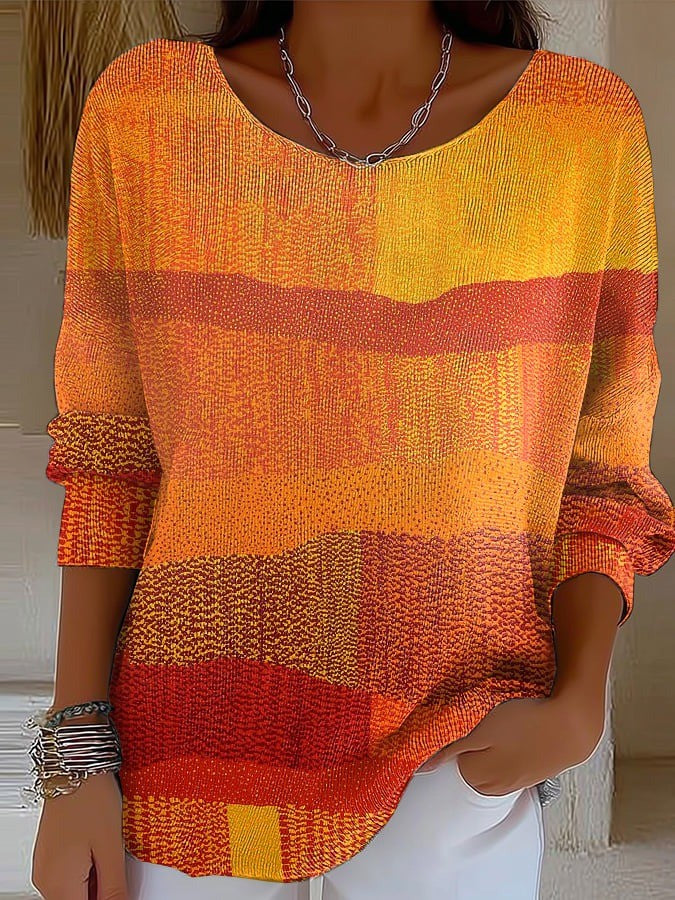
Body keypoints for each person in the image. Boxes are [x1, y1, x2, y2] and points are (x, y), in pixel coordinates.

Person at [29, 2, 675, 899]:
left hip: (459, 750)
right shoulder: (148, 111)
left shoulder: (580, 127)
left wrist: (579, 703)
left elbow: (601, 470)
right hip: (186, 753)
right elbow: (110, 457)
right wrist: (76, 760)